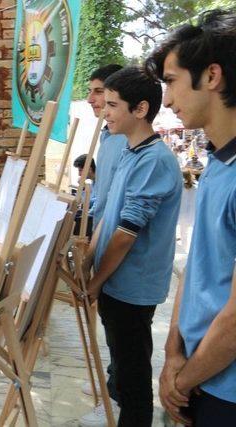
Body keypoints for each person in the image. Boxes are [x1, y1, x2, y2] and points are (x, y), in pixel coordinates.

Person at [146, 9, 236, 426]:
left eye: (171, 81)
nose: (166, 99)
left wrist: (183, 379)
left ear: (212, 76)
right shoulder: (218, 162)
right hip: (199, 374)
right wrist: (171, 353)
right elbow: (197, 268)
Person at [84, 66, 182, 426]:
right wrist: (89, 261)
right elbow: (109, 214)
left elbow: (126, 233)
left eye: (112, 105)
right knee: (123, 370)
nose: (104, 111)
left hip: (133, 287)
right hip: (116, 283)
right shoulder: (129, 150)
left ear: (140, 109)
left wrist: (94, 284)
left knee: (133, 380)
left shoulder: (155, 159)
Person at [78, 63, 127, 427]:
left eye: (101, 94)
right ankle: (114, 382)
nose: (94, 101)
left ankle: (119, 396)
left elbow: (120, 203)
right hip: (103, 232)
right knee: (112, 326)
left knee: (126, 333)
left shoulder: (126, 139)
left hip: (121, 243)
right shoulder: (107, 136)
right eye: (95, 93)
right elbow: (104, 193)